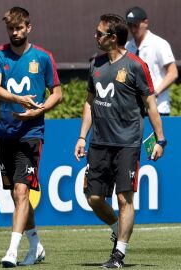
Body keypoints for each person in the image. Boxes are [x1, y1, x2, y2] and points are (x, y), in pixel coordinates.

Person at [74, 14, 166, 268]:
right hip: (99, 143)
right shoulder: (96, 64)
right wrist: (82, 136)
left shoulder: (137, 66)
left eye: (99, 33)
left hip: (128, 143)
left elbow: (150, 104)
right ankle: (117, 228)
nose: (95, 36)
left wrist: (160, 139)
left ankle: (119, 254)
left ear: (113, 38)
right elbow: (90, 102)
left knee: (125, 198)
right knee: (92, 197)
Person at [0, 6, 62, 268]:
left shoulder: (43, 57)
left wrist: (39, 110)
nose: (15, 33)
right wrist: (18, 99)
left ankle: (11, 251)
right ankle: (36, 245)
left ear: (29, 28)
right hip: (5, 133)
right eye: (11, 29)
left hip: (31, 133)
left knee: (21, 192)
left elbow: (57, 93)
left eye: (19, 28)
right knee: (15, 195)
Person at [125, 6, 178, 116]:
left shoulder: (159, 44)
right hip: (134, 112)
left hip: (158, 109)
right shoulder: (127, 47)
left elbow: (173, 73)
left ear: (146, 23)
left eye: (136, 25)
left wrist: (155, 93)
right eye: (130, 25)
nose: (133, 29)